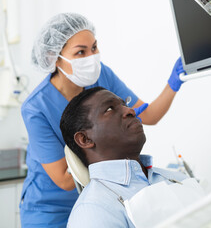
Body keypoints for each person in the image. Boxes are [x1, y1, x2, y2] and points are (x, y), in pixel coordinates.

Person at [20, 13, 185, 227]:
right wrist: (115, 156)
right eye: (80, 52)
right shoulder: (36, 107)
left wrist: (174, 82)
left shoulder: (100, 76)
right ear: (54, 57)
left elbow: (149, 115)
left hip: (101, 201)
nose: (91, 57)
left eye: (94, 47)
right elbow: (63, 179)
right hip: (49, 210)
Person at [60, 87, 190, 227]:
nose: (131, 110)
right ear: (85, 139)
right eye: (110, 109)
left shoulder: (175, 178)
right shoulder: (92, 211)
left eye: (125, 105)